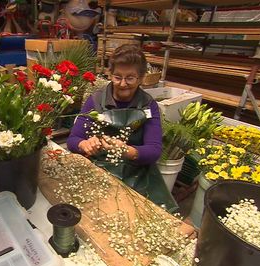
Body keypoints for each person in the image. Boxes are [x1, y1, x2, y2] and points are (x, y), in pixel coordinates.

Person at [66, 44, 178, 212]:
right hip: (98, 168)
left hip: (136, 173)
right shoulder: (96, 101)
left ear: (141, 78)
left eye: (130, 78)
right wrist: (85, 144)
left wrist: (127, 151)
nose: (123, 84)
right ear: (110, 74)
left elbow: (154, 150)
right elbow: (73, 140)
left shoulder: (148, 105)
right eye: (117, 77)